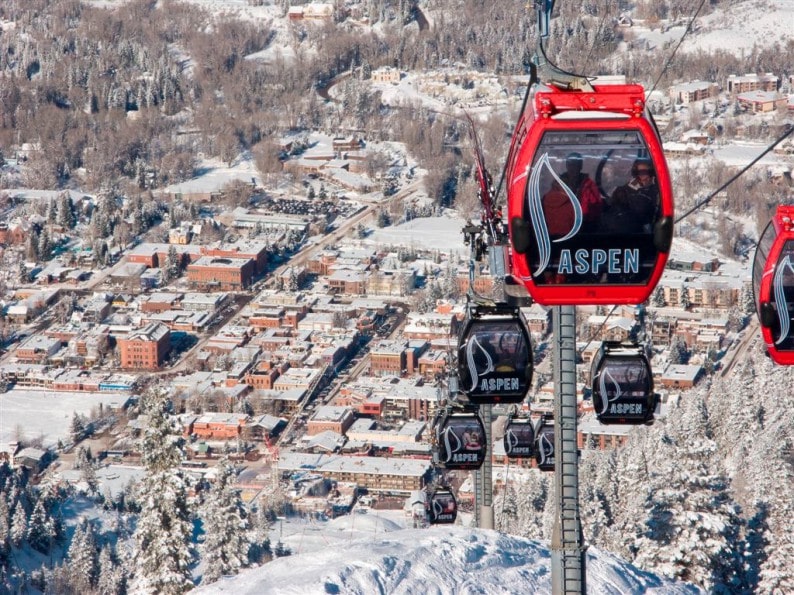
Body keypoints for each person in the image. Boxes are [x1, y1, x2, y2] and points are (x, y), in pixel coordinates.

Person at [603, 158, 659, 234]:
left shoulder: (657, 190)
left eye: (649, 172)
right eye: (642, 173)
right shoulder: (624, 191)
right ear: (636, 174)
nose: (646, 176)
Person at [557, 152, 603, 231]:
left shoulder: (589, 185)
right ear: (566, 166)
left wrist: (585, 218)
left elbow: (596, 206)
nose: (573, 168)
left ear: (580, 166)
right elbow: (553, 204)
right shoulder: (558, 185)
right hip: (562, 227)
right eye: (570, 164)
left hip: (585, 227)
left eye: (576, 165)